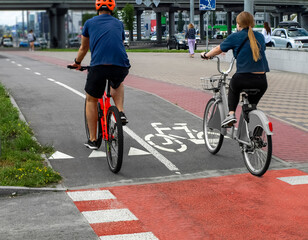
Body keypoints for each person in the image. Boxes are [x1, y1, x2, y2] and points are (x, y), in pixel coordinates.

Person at [69, 0, 131, 150]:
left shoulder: (89, 23)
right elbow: (118, 43)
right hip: (120, 64)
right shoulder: (118, 23)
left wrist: (77, 62)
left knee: (91, 99)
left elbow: (84, 47)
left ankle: (93, 140)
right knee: (117, 82)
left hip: (99, 66)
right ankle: (120, 112)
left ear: (97, 7)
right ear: (112, 8)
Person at [201, 11, 269, 128]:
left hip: (243, 78)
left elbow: (218, 48)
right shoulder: (260, 37)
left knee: (233, 86)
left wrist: (206, 55)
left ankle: (231, 114)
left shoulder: (235, 36)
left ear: (239, 24)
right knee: (250, 107)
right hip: (262, 81)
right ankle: (253, 133)